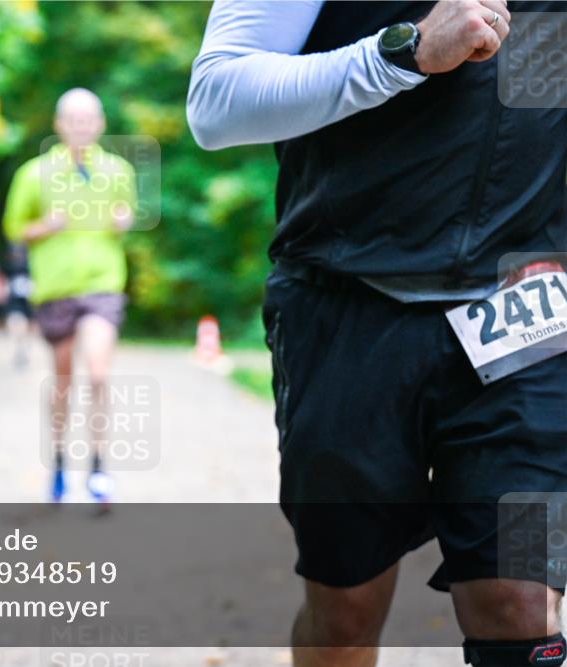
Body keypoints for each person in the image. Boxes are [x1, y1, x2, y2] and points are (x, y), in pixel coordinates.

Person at [188, 2, 566, 667]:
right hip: (346, 307)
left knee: (520, 597)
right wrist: (405, 51)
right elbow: (215, 103)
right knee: (346, 611)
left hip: (523, 314)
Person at [2, 87, 137, 508]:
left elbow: (126, 216)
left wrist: (123, 220)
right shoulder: (34, 174)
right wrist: (44, 226)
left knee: (97, 374)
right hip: (56, 288)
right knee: (64, 382)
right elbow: (13, 228)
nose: (81, 127)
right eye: (72, 120)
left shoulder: (118, 171)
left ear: (100, 124)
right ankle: (60, 461)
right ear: (59, 125)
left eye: (88, 119)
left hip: (103, 284)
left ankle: (98, 468)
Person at [3, 243, 34, 370]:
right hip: (14, 302)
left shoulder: (30, 266)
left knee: (25, 329)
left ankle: (23, 351)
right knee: (16, 326)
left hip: (28, 301)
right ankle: (20, 351)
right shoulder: (8, 268)